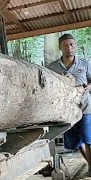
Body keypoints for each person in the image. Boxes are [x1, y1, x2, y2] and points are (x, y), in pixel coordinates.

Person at [48, 34, 91, 176]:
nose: (69, 48)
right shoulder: (52, 67)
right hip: (64, 111)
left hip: (84, 107)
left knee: (88, 139)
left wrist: (85, 88)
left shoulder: (84, 64)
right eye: (65, 45)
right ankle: (88, 162)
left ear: (75, 45)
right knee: (74, 142)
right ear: (60, 47)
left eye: (71, 44)